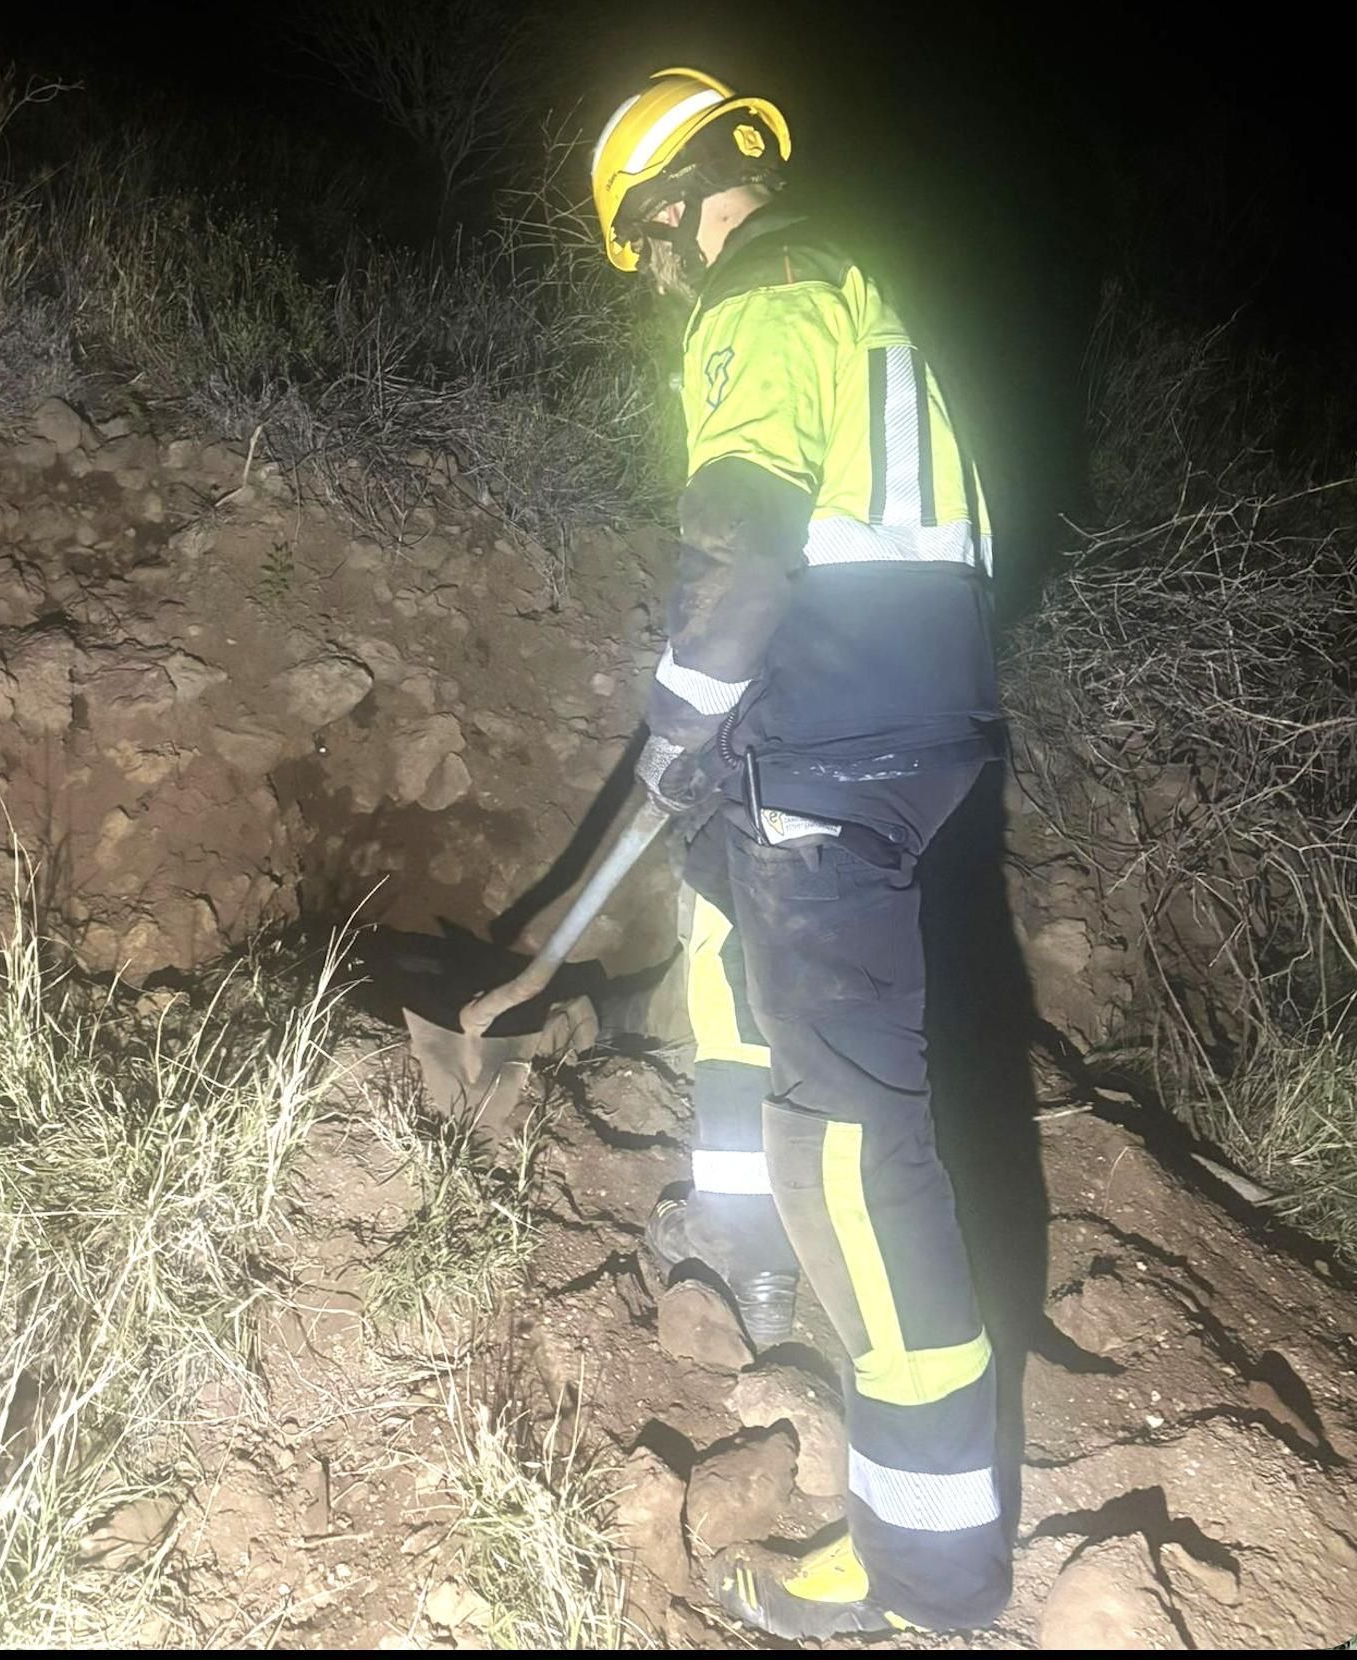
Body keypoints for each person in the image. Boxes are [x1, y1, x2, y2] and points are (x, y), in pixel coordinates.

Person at [590, 67, 1012, 1638]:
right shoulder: (869, 296)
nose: (656, 280)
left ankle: (926, 1576)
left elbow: (746, 535)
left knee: (852, 1147)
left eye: (645, 251)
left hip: (829, 745)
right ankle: (744, 1259)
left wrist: (682, 716)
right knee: (718, 951)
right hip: (889, 729)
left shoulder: (761, 298)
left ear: (673, 207)